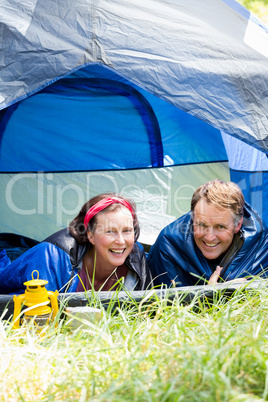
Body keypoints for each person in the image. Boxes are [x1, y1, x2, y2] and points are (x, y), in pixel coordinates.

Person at [0, 194, 153, 293]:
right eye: (110, 231)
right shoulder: (51, 257)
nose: (121, 241)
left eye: (127, 230)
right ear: (90, 235)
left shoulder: (135, 254)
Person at [148, 180, 268, 287]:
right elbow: (159, 309)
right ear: (192, 220)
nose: (209, 237)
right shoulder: (169, 246)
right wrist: (211, 296)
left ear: (238, 225)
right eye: (202, 225)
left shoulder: (261, 246)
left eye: (220, 227)